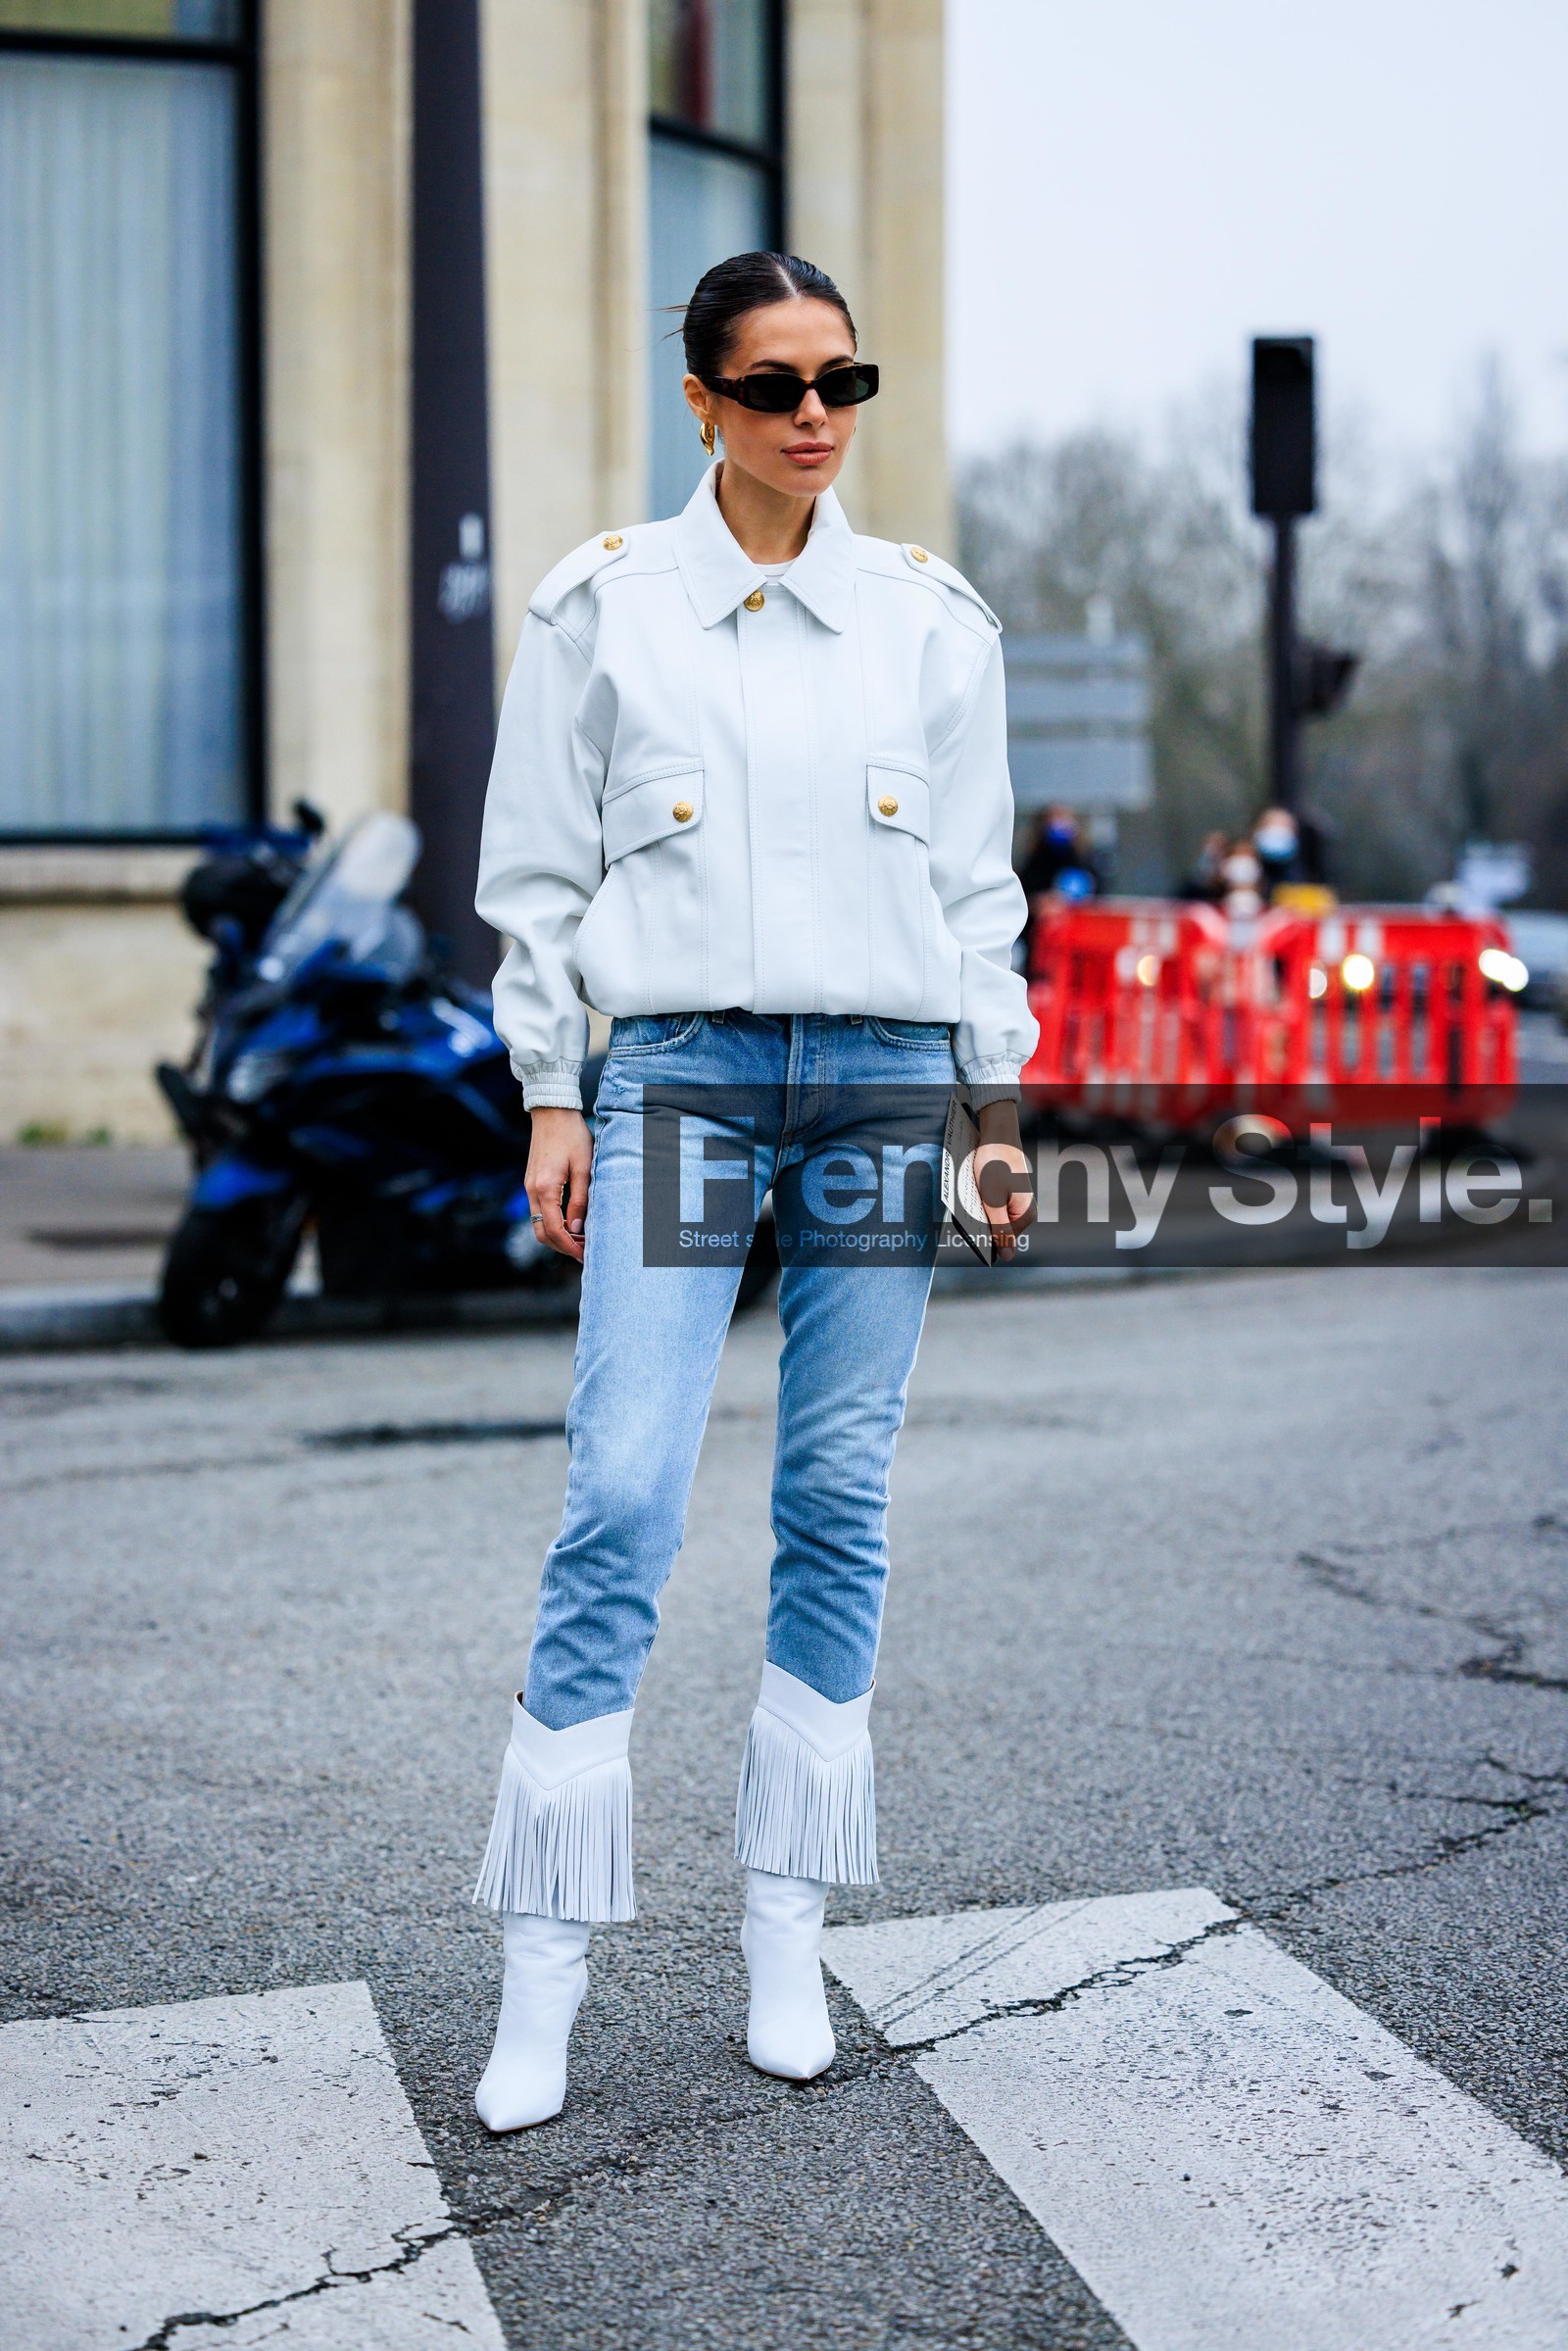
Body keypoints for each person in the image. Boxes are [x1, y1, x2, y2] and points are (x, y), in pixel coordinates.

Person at [468, 250, 1038, 2131]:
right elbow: (539, 876)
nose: (818, 415)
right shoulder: (604, 610)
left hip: (883, 1088)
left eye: (844, 382)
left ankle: (782, 1935)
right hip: (683, 1078)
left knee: (835, 1500)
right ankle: (541, 1977)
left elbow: (976, 896)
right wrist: (556, 1094)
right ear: (701, 400)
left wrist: (996, 1103)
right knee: (624, 1489)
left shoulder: (931, 623)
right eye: (778, 383)